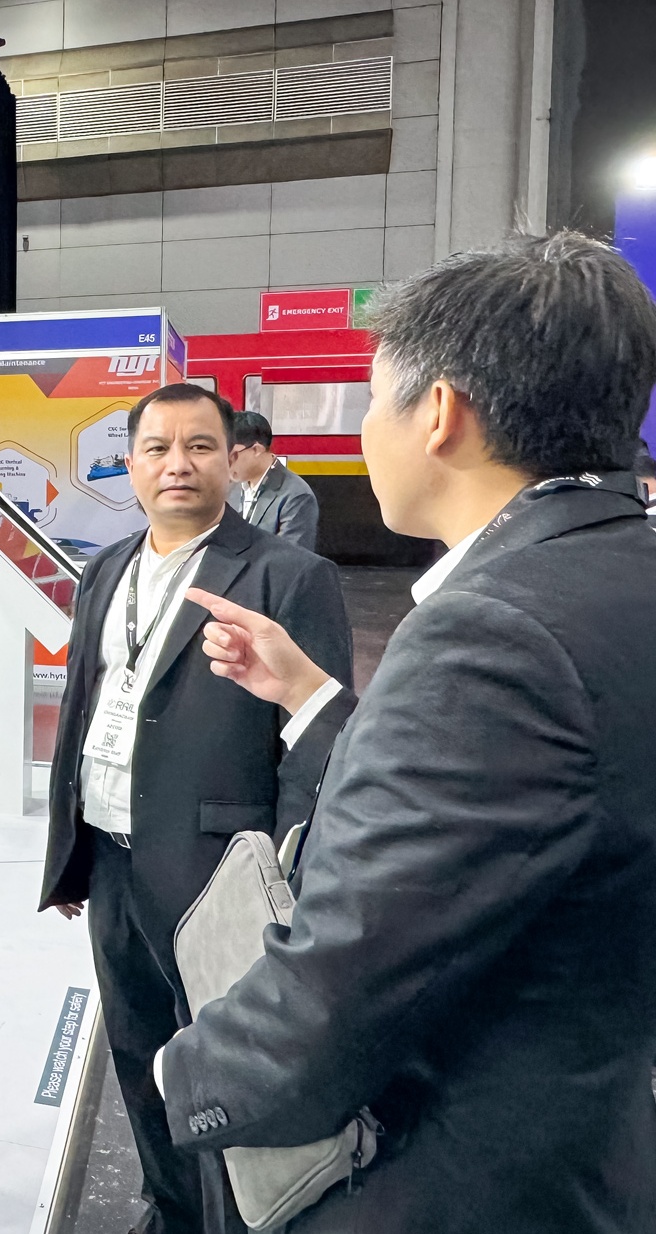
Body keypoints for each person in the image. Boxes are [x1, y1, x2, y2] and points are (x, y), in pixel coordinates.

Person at [155, 234, 656, 1233]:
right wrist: (313, 697)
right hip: (589, 1136)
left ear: (439, 413)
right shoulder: (618, 570)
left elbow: (333, 995)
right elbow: (506, 816)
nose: (364, 427)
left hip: (449, 1175)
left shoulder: (491, 631)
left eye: (372, 398)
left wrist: (185, 1070)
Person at [38, 382, 352, 1234]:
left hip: (219, 872)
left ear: (231, 459)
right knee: (136, 1050)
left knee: (219, 1072)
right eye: (157, 448)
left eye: (200, 446)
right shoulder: (105, 569)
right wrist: (69, 851)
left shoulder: (288, 575)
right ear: (130, 463)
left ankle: (229, 1222)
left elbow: (315, 743)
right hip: (111, 855)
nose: (177, 464)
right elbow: (85, 709)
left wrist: (285, 874)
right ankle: (170, 1209)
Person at [226, 411, 319, 552]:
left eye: (232, 455)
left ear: (256, 450)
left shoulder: (296, 496)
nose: (226, 463)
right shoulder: (231, 486)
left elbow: (290, 557)